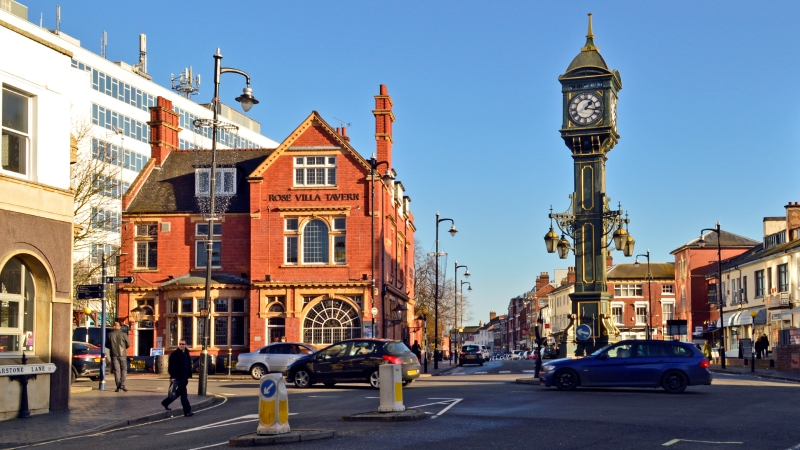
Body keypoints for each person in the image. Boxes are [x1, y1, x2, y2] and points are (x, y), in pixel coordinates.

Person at [162, 339, 193, 417]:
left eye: (183, 344)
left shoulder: (187, 353)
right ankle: (187, 411)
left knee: (178, 393)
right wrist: (172, 376)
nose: (181, 345)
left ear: (186, 345)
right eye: (180, 344)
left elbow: (188, 364)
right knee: (184, 395)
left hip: (185, 377)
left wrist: (189, 374)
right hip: (178, 377)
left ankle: (165, 402)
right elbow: (171, 366)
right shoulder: (175, 354)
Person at [106, 322, 130, 392]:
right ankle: (122, 384)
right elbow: (128, 344)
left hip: (113, 354)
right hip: (122, 354)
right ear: (119, 327)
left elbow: (107, 345)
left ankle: (118, 386)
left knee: (116, 371)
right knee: (124, 369)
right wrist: (123, 348)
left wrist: (112, 348)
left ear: (114, 327)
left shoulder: (109, 335)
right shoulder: (124, 334)